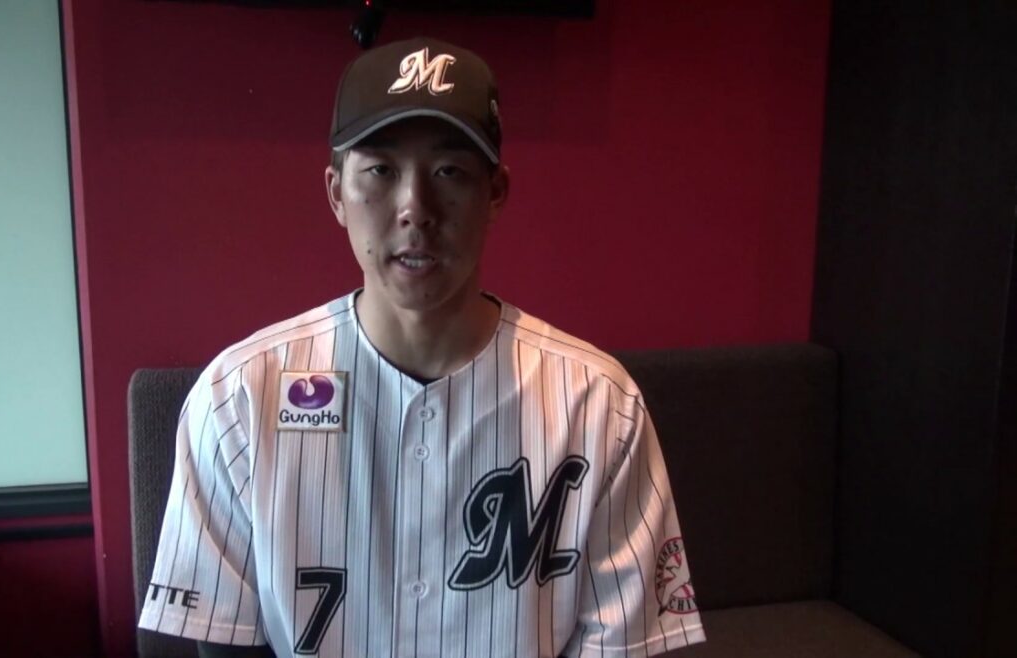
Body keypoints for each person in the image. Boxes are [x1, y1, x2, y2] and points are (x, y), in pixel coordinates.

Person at [138, 36, 706, 658]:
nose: (415, 208)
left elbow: (623, 646)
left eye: (448, 171)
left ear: (496, 192)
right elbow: (219, 639)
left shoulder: (601, 405)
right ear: (336, 192)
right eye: (381, 170)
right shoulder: (239, 397)